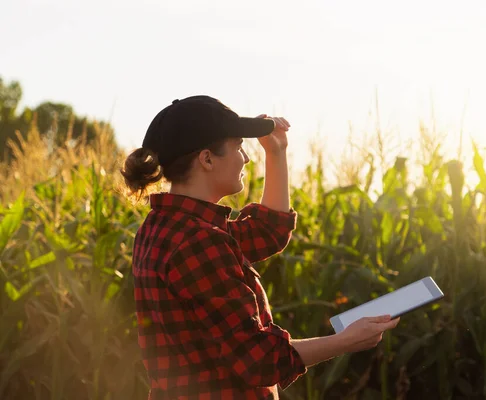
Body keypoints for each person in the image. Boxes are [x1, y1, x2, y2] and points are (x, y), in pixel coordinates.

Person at [120, 95, 400, 400]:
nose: (246, 158)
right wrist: (345, 341)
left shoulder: (163, 226)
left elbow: (268, 232)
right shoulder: (198, 241)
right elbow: (260, 359)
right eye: (240, 146)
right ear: (207, 159)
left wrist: (276, 154)